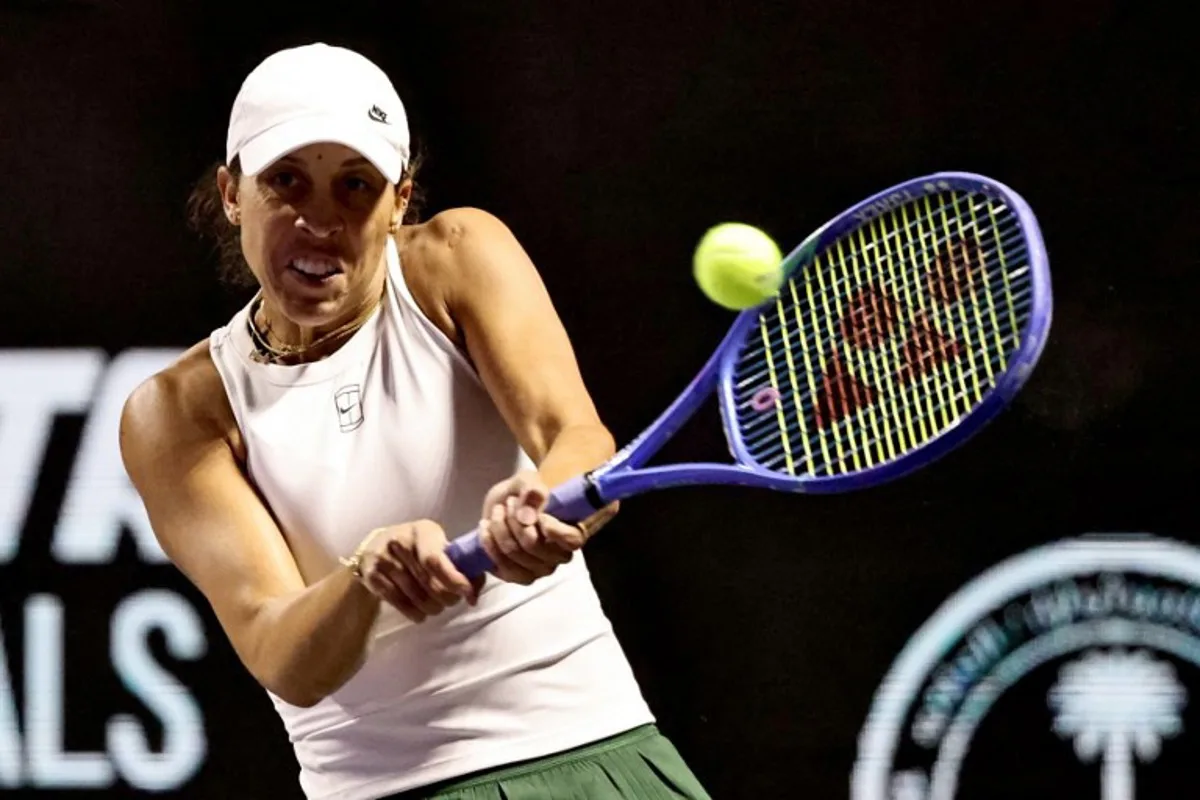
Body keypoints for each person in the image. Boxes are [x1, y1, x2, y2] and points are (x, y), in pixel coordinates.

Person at [119, 42, 711, 800]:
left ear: (401, 199)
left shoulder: (457, 259)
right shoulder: (177, 412)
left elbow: (577, 439)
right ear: (233, 194)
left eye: (355, 186)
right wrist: (366, 574)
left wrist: (544, 506)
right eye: (286, 182)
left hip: (591, 751)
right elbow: (281, 653)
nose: (319, 221)